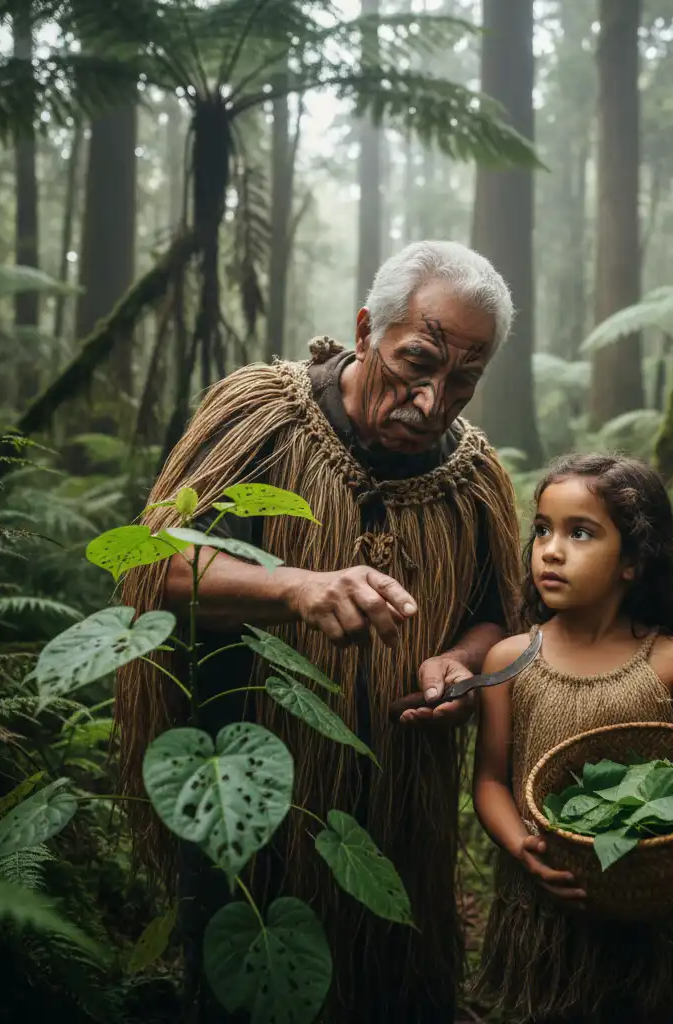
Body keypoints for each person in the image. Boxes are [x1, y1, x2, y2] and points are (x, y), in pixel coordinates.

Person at [115, 241, 524, 1023]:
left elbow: (495, 615)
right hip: (253, 785)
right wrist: (295, 588)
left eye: (463, 380)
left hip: (398, 801)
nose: (432, 402)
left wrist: (459, 664)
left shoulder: (474, 480)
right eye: (417, 363)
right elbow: (155, 568)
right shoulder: (262, 417)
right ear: (367, 329)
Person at [472, 453, 673, 1024]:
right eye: (542, 530)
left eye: (580, 533)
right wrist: (524, 850)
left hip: (646, 904)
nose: (551, 550)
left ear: (633, 562)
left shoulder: (670, 662)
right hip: (546, 906)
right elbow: (489, 781)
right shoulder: (509, 661)